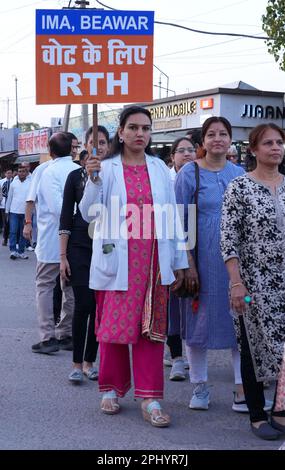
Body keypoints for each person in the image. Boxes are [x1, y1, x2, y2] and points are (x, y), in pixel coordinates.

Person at [80, 106, 188, 426]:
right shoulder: (106, 168)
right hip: (118, 259)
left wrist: (180, 260)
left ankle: (151, 397)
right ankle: (111, 389)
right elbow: (89, 214)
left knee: (150, 332)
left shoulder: (159, 169)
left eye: (146, 128)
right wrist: (93, 179)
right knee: (113, 328)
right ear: (121, 132)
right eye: (133, 127)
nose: (140, 133)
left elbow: (172, 216)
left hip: (154, 260)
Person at [175, 116, 249, 412]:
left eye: (223, 134)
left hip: (236, 261)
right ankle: (200, 386)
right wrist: (187, 261)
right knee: (198, 322)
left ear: (231, 140)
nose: (218, 139)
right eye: (211, 134)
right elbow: (179, 220)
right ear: (202, 141)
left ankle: (242, 390)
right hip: (200, 259)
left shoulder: (240, 174)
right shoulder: (188, 174)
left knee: (241, 322)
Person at [221, 123, 285, 440]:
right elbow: (228, 240)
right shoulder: (239, 188)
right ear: (255, 150)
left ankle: (281, 409)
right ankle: (257, 414)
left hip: (284, 281)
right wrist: (236, 283)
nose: (275, 148)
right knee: (251, 344)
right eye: (268, 143)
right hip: (251, 284)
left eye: (280, 142)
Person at [59, 125, 110, 383]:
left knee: (99, 307)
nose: (98, 147)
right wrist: (62, 256)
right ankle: (77, 364)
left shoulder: (115, 175)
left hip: (108, 245)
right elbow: (66, 216)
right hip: (80, 245)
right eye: (93, 142)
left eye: (102, 142)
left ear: (109, 146)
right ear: (85, 147)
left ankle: (91, 361)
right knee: (84, 304)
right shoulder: (74, 177)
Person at [31, 132, 78, 354]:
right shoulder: (78, 170)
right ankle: (65, 332)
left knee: (45, 285)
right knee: (69, 286)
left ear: (50, 152)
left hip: (52, 239)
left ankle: (48, 337)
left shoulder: (48, 172)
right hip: (76, 236)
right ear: (72, 149)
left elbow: (58, 209)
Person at [166, 137, 196, 381]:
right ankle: (176, 357)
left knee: (195, 302)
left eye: (191, 150)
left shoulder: (201, 175)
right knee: (173, 304)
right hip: (170, 246)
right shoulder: (165, 180)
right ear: (172, 156)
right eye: (182, 150)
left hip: (197, 245)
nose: (187, 154)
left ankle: (193, 354)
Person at [5, 166, 31, 260]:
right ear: (17, 172)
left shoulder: (30, 183)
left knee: (23, 233)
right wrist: (7, 211)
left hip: (25, 212)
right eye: (19, 171)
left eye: (23, 171)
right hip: (14, 211)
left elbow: (32, 199)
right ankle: (13, 251)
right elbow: (9, 197)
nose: (21, 173)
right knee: (13, 232)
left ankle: (21, 251)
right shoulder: (13, 183)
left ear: (26, 173)